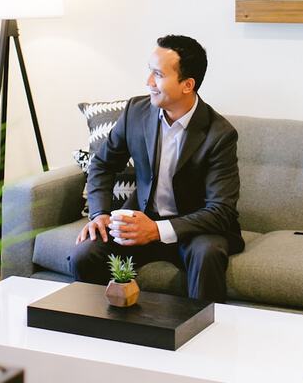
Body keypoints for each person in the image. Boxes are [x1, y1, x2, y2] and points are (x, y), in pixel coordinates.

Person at [70, 34, 243, 302]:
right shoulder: (135, 111)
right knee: (85, 254)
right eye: (150, 71)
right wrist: (99, 214)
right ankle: (100, 325)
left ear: (187, 85)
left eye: (158, 75)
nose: (148, 82)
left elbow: (220, 210)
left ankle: (202, 326)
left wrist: (156, 230)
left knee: (207, 254)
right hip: (140, 218)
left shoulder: (219, 134)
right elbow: (103, 164)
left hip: (194, 229)